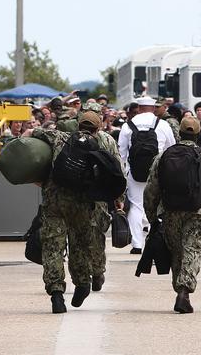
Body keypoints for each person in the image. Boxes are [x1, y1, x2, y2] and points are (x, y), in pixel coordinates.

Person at [33, 111, 116, 314]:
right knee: (80, 245)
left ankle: (56, 294)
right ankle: (82, 283)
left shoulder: (61, 138)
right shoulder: (103, 146)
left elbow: (37, 132)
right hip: (82, 205)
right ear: (98, 129)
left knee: (53, 246)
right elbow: (115, 174)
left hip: (54, 202)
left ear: (78, 125)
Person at [143, 116, 201, 312]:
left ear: (179, 134)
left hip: (171, 211)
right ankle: (184, 290)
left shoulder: (163, 157)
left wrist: (152, 217)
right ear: (198, 135)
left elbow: (151, 190)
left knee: (177, 253)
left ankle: (179, 288)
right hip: (198, 212)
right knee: (192, 250)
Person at [118, 97, 176, 254]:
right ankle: (155, 239)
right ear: (154, 108)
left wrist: (124, 173)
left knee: (136, 206)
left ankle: (137, 244)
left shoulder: (127, 126)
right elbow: (171, 149)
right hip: (158, 171)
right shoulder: (163, 125)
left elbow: (121, 154)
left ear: (139, 107)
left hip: (134, 173)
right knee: (156, 206)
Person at [80, 102, 125, 292]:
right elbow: (118, 169)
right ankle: (97, 271)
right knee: (97, 236)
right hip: (99, 196)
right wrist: (119, 197)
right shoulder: (107, 140)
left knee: (79, 236)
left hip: (78, 196)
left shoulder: (72, 138)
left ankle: (82, 274)